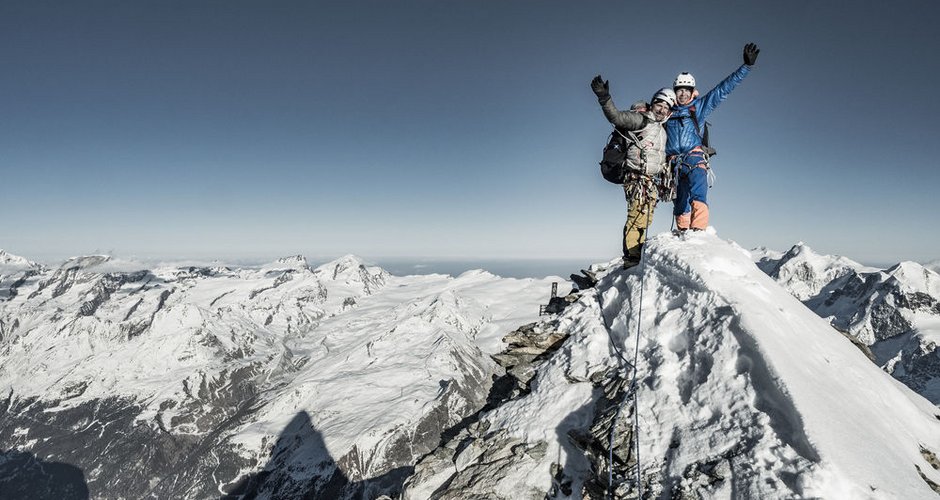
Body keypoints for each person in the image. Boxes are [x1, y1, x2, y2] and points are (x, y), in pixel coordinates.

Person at [667, 42, 760, 231]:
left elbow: (722, 90)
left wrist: (746, 67)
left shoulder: (698, 108)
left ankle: (699, 231)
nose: (683, 93)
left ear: (693, 92)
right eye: (679, 90)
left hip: (693, 158)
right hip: (673, 164)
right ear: (674, 92)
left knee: (698, 193)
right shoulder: (666, 112)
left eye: (686, 90)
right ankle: (683, 233)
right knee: (679, 201)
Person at [591, 77, 676, 269]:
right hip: (636, 177)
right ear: (652, 104)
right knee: (636, 214)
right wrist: (604, 97)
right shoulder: (640, 120)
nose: (662, 110)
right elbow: (616, 117)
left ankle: (636, 250)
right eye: (659, 105)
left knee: (645, 215)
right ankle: (632, 257)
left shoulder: (662, 130)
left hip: (650, 180)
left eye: (666, 108)